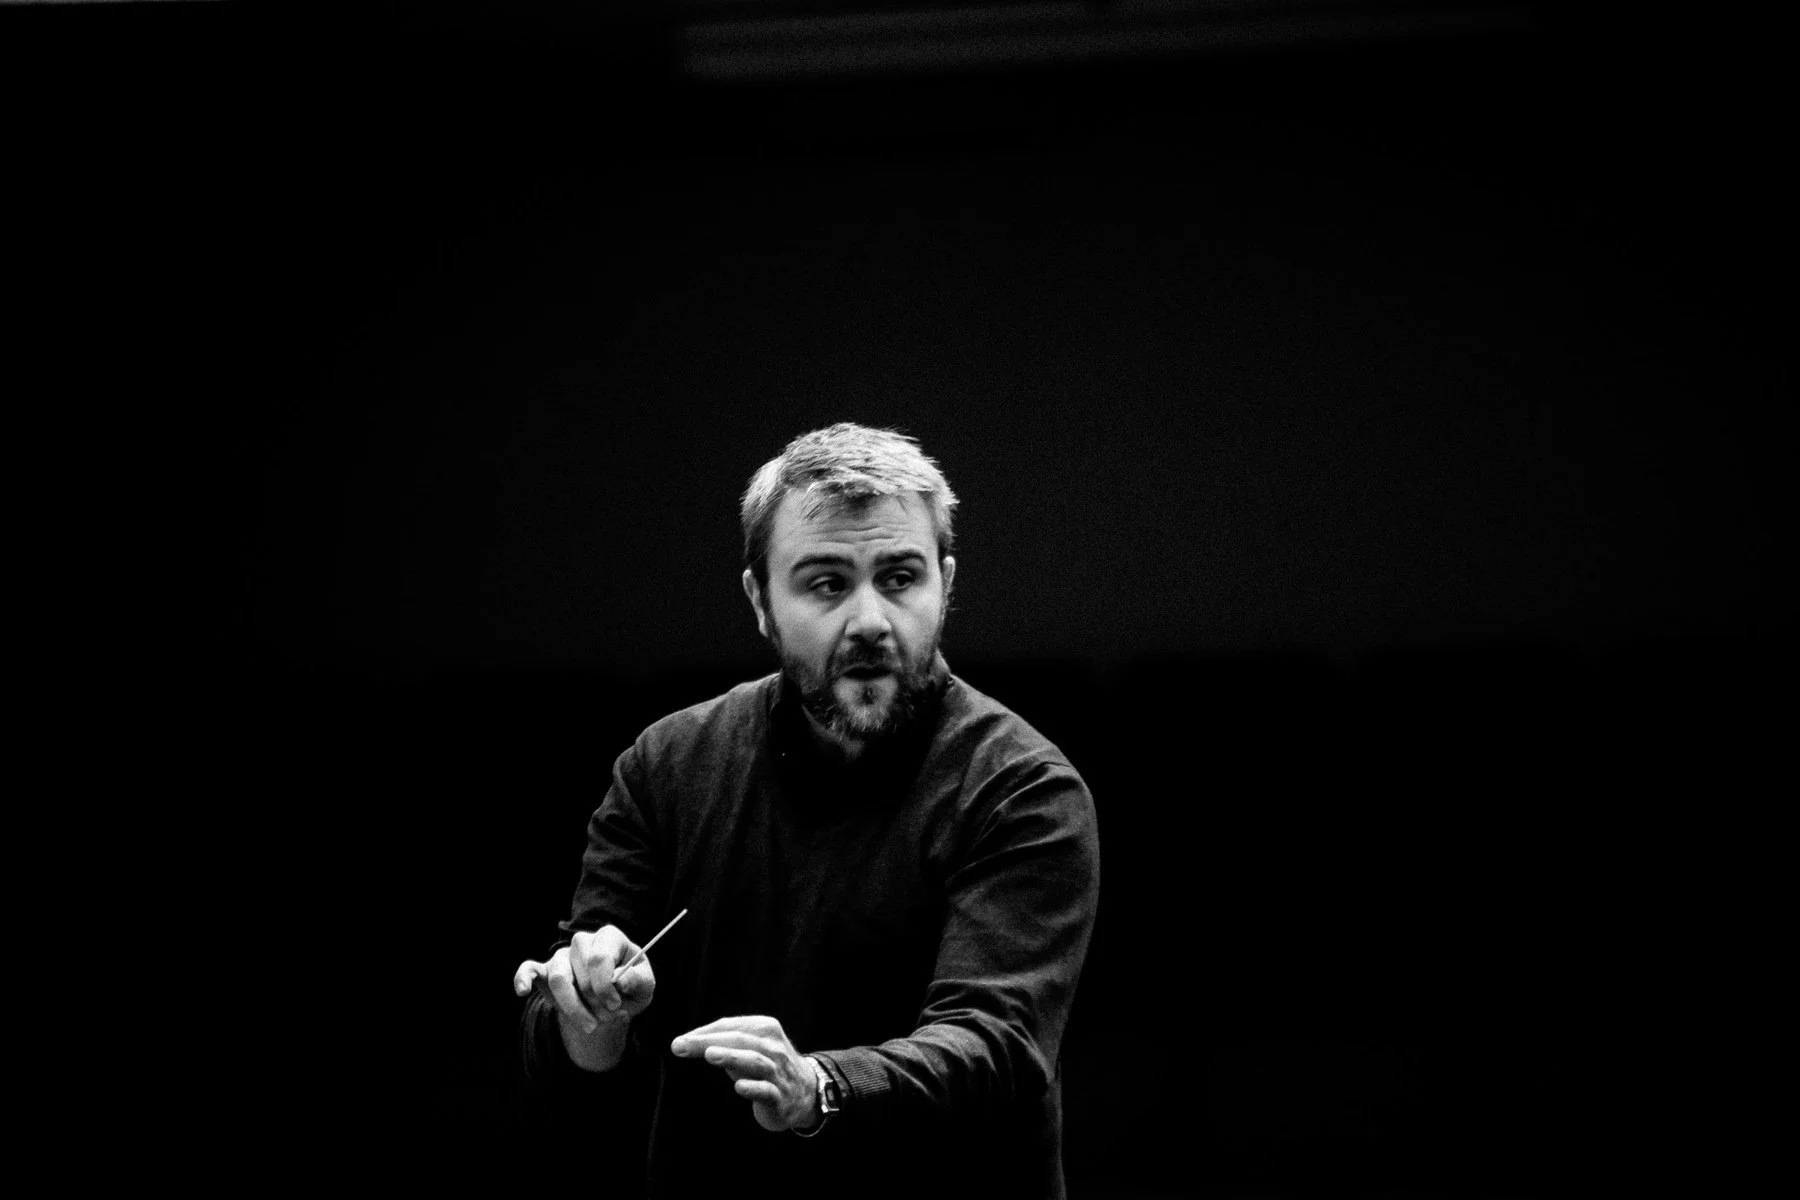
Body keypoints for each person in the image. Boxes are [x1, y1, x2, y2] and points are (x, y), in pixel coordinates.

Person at [513, 423, 1100, 1198]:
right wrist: (592, 1018)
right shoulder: (666, 766)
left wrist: (818, 1087)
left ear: (946, 584)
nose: (869, 621)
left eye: (899, 577)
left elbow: (997, 1045)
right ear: (760, 600)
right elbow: (575, 1064)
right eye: (827, 583)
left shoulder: (1022, 787)